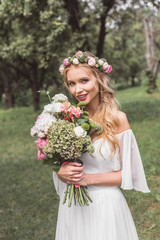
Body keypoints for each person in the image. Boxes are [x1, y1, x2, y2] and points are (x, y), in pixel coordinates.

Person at [53, 51, 150, 240]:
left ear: (98, 80)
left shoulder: (118, 120)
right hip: (73, 207)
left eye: (84, 81)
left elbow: (132, 173)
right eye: (72, 83)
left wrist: (88, 179)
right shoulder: (67, 121)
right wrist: (60, 172)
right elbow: (61, 164)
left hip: (106, 206)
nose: (77, 89)